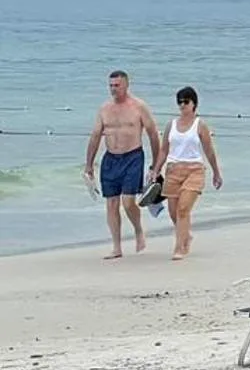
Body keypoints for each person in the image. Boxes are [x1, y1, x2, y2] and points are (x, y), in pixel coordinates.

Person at [83, 70, 165, 260]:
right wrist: (89, 165)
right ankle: (117, 247)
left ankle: (138, 230)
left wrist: (156, 166)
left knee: (128, 201)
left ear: (126, 85)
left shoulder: (138, 106)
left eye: (117, 85)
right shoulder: (104, 109)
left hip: (133, 157)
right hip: (110, 159)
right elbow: (95, 136)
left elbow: (153, 134)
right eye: (111, 85)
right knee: (111, 204)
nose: (113, 89)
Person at [154, 85, 224, 261]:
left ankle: (180, 247)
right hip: (172, 170)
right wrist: (155, 169)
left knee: (183, 208)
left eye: (186, 102)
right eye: (179, 103)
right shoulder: (172, 124)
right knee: (173, 212)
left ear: (194, 104)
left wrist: (216, 172)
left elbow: (209, 150)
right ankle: (185, 235)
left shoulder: (200, 125)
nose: (182, 106)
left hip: (194, 170)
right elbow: (164, 149)